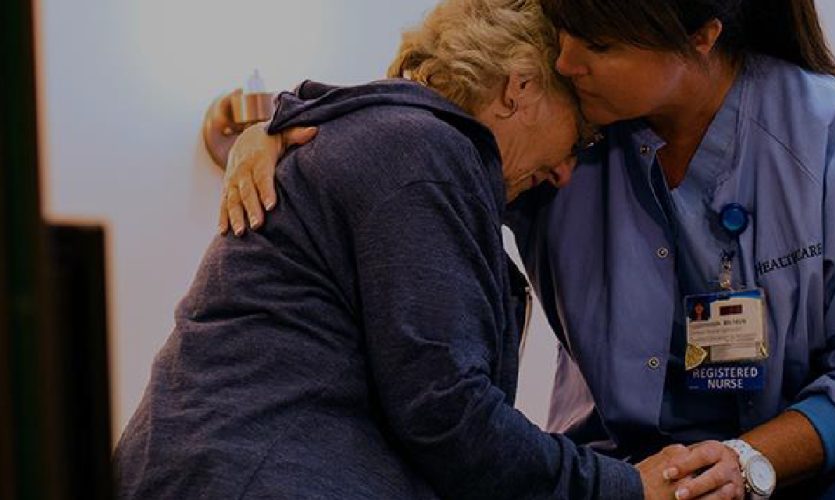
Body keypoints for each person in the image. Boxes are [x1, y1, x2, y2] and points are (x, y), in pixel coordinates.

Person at [219, 0, 835, 499]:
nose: (566, 59)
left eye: (595, 42)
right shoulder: (563, 146)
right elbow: (425, 109)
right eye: (563, 34)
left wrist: (750, 460)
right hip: (644, 468)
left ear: (699, 36)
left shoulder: (832, 137)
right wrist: (270, 124)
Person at [114, 0, 682, 498]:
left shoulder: (390, 139)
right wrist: (625, 486)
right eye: (581, 134)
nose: (565, 171)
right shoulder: (425, 155)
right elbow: (447, 411)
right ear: (521, 88)